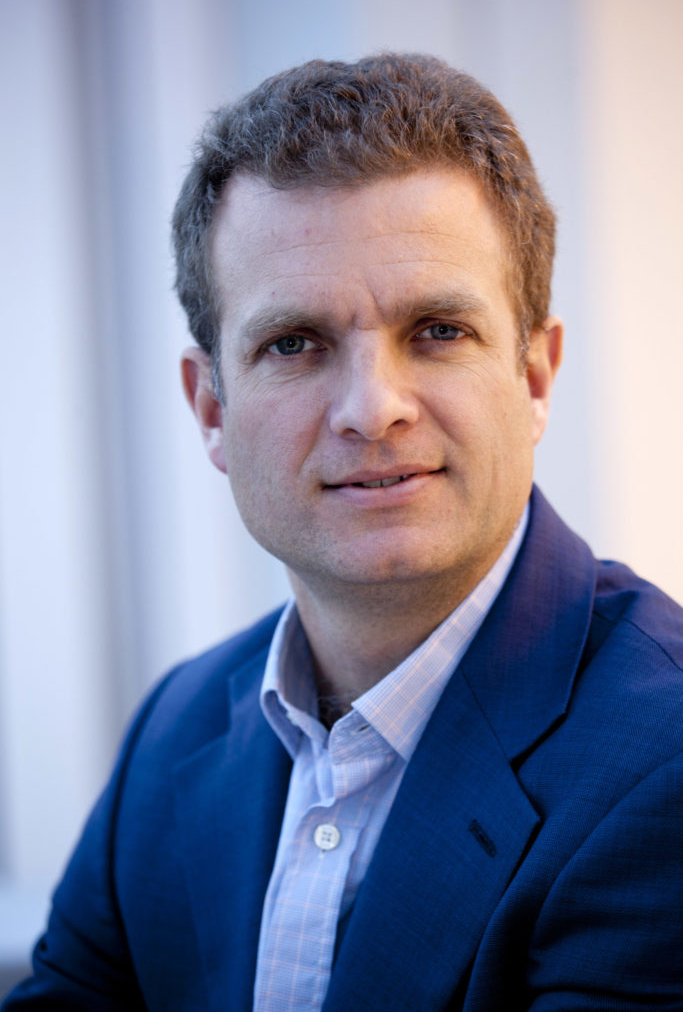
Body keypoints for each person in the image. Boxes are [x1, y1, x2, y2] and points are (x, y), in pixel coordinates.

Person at [4, 53, 683, 1012]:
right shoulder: (176, 731)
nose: (372, 410)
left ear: (533, 378)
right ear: (210, 409)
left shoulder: (664, 763)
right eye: (295, 344)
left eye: (438, 330)